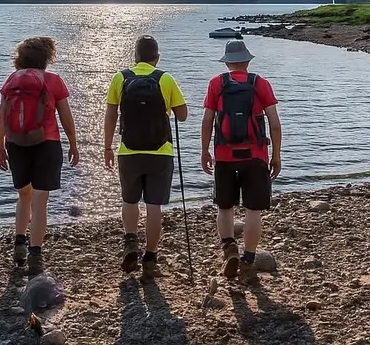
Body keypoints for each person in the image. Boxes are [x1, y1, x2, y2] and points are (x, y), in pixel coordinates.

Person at [103, 35, 188, 279]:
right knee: (153, 206)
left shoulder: (120, 78)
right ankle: (150, 259)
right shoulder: (165, 78)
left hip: (128, 151)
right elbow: (182, 116)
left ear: (135, 56)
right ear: (156, 57)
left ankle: (131, 241)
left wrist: (107, 147)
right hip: (160, 153)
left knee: (129, 201)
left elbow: (110, 116)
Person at [0, 36, 80, 275]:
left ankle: (19, 245)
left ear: (20, 58)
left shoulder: (12, 80)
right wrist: (73, 144)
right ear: (46, 58)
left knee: (24, 195)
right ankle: (35, 254)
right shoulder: (53, 81)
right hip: (47, 142)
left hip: (16, 143)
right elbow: (65, 116)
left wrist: (0, 147)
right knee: (41, 199)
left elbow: (2, 116)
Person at [201, 39, 282, 284]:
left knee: (225, 207)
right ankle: (248, 261)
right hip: (255, 156)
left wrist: (204, 151)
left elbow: (207, 121)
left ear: (227, 62)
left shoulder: (216, 83)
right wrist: (276, 155)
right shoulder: (260, 83)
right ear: (247, 61)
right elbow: (275, 124)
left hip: (224, 155)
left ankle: (229, 251)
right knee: (253, 210)